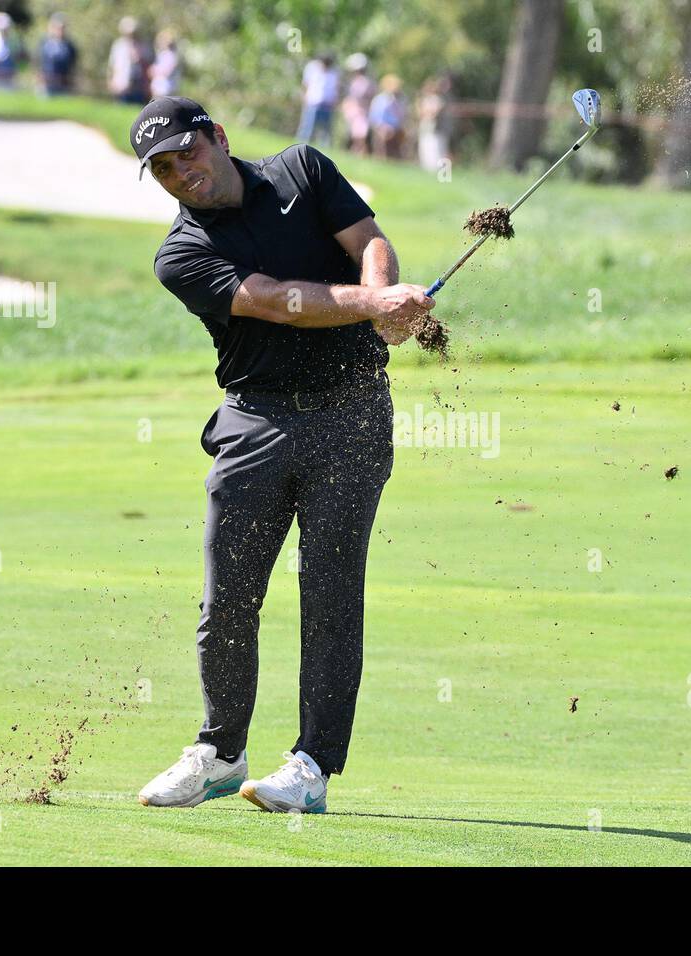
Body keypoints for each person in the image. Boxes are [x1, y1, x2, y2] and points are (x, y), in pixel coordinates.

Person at [130, 96, 434, 814]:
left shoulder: (302, 169)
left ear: (220, 137)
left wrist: (382, 292)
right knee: (227, 597)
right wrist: (372, 308)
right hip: (254, 420)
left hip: (351, 414)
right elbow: (272, 299)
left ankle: (311, 767)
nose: (181, 174)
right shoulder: (180, 254)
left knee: (331, 594)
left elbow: (368, 239)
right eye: (164, 169)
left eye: (187, 154)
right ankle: (220, 751)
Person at [296, 53, 340, 145]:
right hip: (313, 104)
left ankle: (323, 149)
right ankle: (301, 145)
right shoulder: (312, 69)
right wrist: (304, 99)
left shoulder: (333, 73)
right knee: (307, 127)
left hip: (327, 105)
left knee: (324, 131)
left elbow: (335, 90)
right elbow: (305, 85)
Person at [108, 16, 151, 104]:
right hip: (122, 84)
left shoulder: (143, 46)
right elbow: (112, 65)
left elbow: (147, 66)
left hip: (138, 86)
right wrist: (111, 81)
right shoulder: (119, 45)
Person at [416, 74, 453, 171]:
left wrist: (427, 112)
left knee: (438, 151)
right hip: (426, 127)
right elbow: (420, 113)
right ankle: (429, 170)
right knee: (426, 150)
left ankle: (443, 174)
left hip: (437, 129)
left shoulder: (438, 99)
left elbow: (434, 112)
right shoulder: (425, 99)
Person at [340, 53, 374, 154]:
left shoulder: (365, 82)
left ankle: (360, 152)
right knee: (354, 136)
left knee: (360, 136)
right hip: (354, 112)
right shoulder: (355, 82)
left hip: (361, 112)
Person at [37, 12, 77, 96]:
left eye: (62, 28)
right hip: (47, 84)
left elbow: (73, 65)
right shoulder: (44, 43)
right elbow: (38, 62)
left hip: (64, 85)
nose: (60, 30)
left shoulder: (70, 46)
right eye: (57, 28)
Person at [369, 74, 406, 159]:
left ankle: (395, 159)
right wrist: (382, 126)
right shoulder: (380, 99)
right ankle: (382, 157)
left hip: (395, 127)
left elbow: (401, 116)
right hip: (382, 126)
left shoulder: (399, 100)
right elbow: (375, 116)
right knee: (386, 135)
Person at [149, 29, 180, 97]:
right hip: (158, 85)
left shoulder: (171, 55)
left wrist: (156, 72)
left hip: (166, 86)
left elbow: (167, 71)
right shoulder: (162, 54)